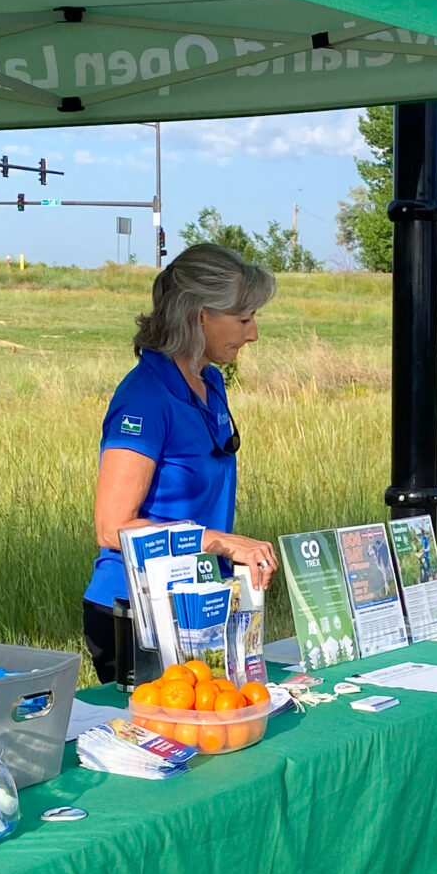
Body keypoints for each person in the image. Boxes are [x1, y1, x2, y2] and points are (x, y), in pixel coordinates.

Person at [84, 242, 280, 683]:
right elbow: (111, 526)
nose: (253, 334)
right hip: (139, 613)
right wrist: (220, 542)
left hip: (196, 603)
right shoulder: (145, 398)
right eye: (244, 319)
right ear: (199, 315)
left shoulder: (208, 381)